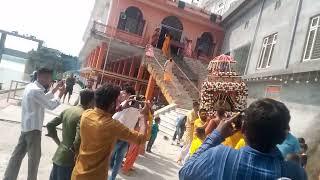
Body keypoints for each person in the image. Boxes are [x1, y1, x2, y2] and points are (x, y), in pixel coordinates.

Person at [179, 98, 307, 180]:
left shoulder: (219, 156)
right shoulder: (296, 174)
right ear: (283, 137)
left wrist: (217, 135)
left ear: (243, 129)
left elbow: (184, 173)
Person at [71, 84, 149, 180]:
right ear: (112, 104)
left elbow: (107, 112)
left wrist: (121, 107)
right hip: (95, 176)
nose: (119, 103)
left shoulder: (87, 114)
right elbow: (141, 139)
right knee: (118, 161)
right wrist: (143, 117)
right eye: (118, 101)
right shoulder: (113, 125)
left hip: (77, 173)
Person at [3, 68, 65, 180]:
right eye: (49, 79)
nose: (50, 81)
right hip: (34, 130)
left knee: (17, 155)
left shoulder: (30, 87)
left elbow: (42, 98)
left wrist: (55, 89)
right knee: (34, 158)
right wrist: (60, 94)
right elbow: (50, 105)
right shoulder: (36, 91)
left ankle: (8, 177)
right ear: (42, 77)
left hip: (26, 127)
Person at [46, 89, 95, 180]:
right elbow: (78, 139)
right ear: (91, 101)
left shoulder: (68, 110)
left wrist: (57, 141)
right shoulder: (84, 115)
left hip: (59, 154)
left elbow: (50, 125)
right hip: (69, 160)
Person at [109, 85, 141, 180]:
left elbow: (114, 118)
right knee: (118, 161)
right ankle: (112, 178)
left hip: (118, 136)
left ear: (129, 94)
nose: (121, 94)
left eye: (123, 93)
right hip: (127, 137)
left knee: (107, 158)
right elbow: (136, 124)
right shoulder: (138, 106)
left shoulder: (124, 104)